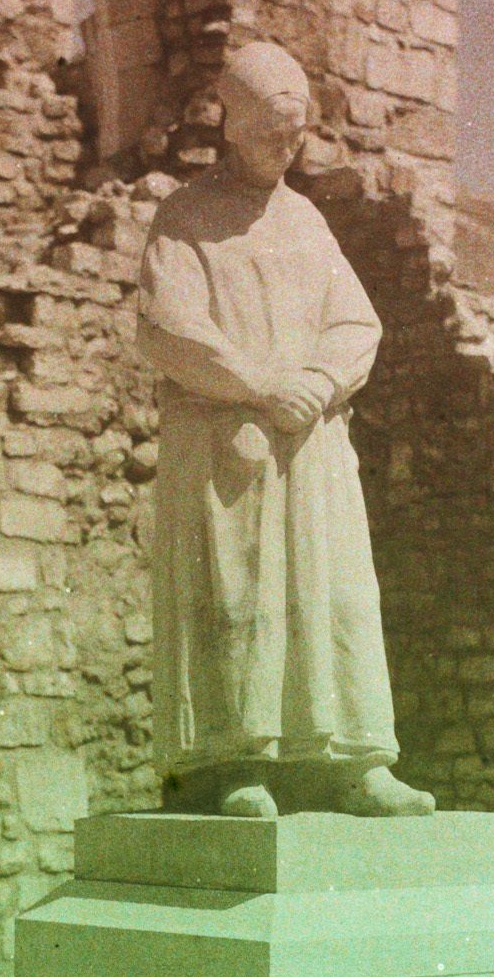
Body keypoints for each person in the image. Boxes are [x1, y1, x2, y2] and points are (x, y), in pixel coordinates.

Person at [135, 40, 435, 820]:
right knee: (238, 597)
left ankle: (352, 766)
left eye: (295, 131)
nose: (285, 145)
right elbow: (167, 328)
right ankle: (237, 762)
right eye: (270, 129)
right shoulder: (186, 217)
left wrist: (318, 382)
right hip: (229, 445)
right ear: (230, 123)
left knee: (331, 598)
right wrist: (262, 384)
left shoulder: (304, 219)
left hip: (311, 447)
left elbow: (356, 323)